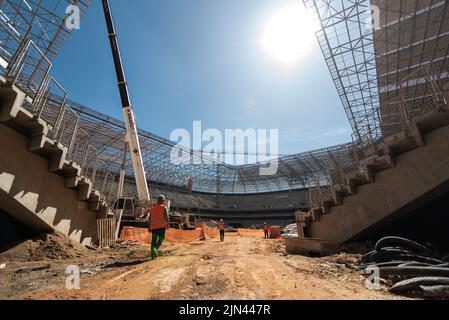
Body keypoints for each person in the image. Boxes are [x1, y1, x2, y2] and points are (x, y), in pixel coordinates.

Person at [148, 195, 170, 260]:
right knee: (161, 239)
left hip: (153, 227)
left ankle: (152, 256)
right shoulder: (164, 208)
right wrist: (168, 224)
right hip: (161, 227)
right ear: (163, 201)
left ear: (157, 201)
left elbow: (150, 219)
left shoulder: (152, 209)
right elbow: (167, 217)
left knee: (153, 241)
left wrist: (149, 227)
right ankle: (155, 249)